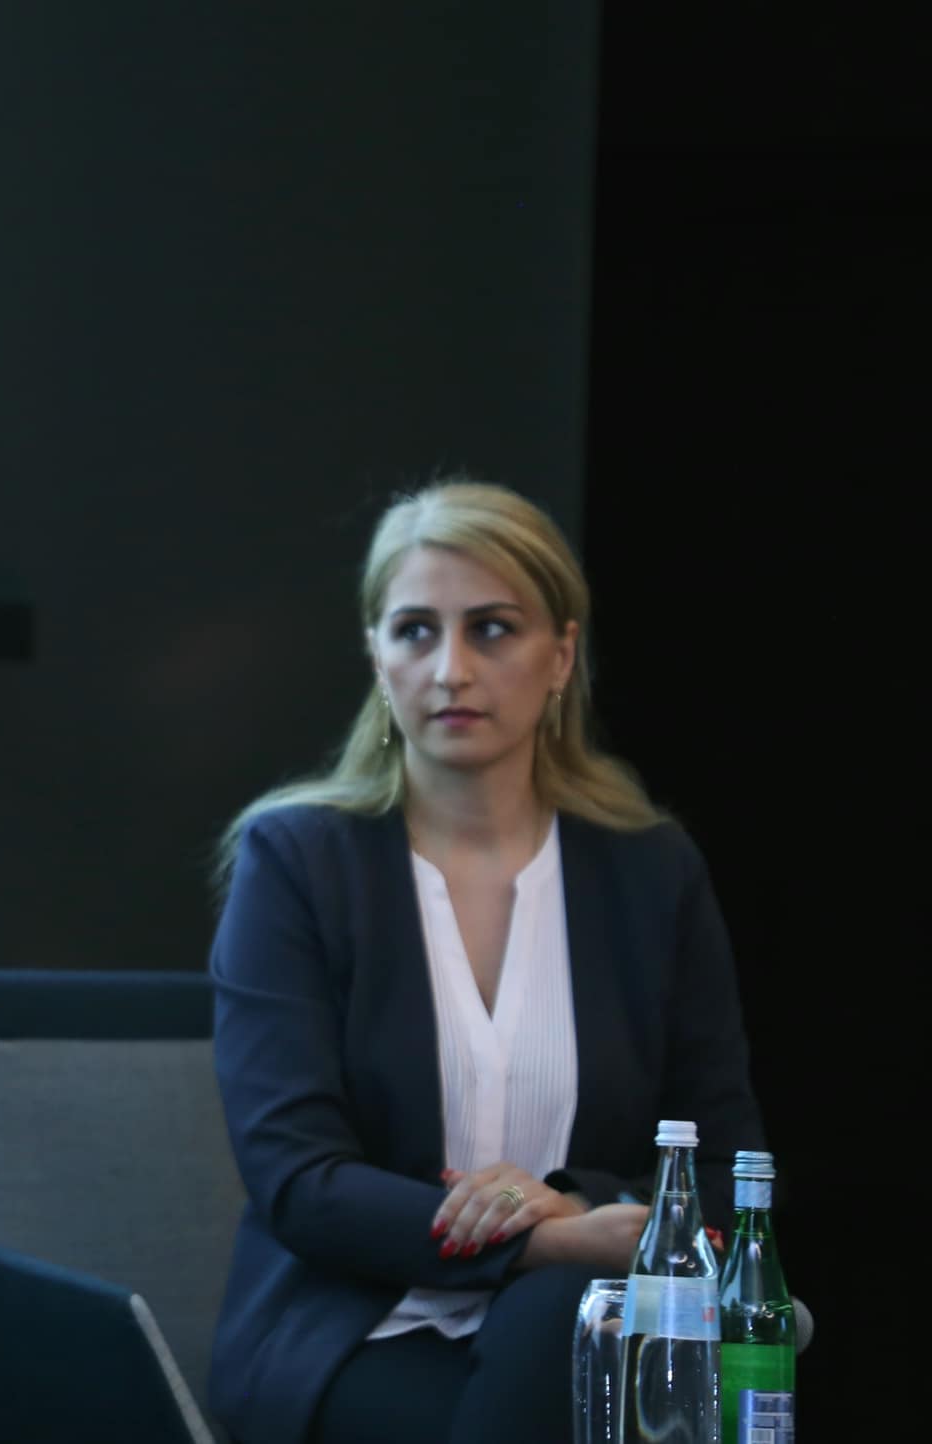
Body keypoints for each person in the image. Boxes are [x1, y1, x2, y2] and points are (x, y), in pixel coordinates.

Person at [206, 479, 766, 1444]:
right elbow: (298, 1181)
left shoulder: (650, 871)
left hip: (584, 1325)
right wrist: (544, 1240)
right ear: (377, 657)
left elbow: (727, 1168)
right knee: (568, 1348)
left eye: (493, 630)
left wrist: (588, 1203)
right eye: (415, 631)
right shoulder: (296, 861)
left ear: (562, 655)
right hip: (358, 1331)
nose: (451, 669)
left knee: (569, 1325)